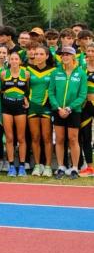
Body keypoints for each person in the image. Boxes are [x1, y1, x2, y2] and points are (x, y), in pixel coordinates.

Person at [49, 46, 88, 179]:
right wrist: (58, 107)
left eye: (67, 54)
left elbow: (82, 95)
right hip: (58, 111)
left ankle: (75, 168)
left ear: (73, 56)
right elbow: (51, 92)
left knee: (73, 139)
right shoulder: (55, 72)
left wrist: (69, 108)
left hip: (74, 111)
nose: (64, 57)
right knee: (59, 139)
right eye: (62, 55)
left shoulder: (81, 73)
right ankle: (61, 166)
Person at [27, 45, 55, 177]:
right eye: (36, 54)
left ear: (47, 56)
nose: (38, 56)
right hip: (32, 106)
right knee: (35, 137)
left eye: (41, 54)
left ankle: (48, 166)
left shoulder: (54, 71)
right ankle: (37, 166)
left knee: (47, 137)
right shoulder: (27, 70)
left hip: (47, 107)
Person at [0, 52, 29, 176]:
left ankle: (21, 166)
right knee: (9, 138)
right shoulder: (3, 74)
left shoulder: (26, 74)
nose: (14, 61)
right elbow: (1, 89)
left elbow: (27, 89)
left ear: (20, 61)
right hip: (7, 106)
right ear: (9, 60)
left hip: (20, 106)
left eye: (16, 59)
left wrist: (26, 98)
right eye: (12, 59)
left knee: (21, 138)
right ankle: (11, 166)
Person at [80, 43, 94, 176]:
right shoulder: (82, 67)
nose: (90, 53)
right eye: (88, 51)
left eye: (92, 51)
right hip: (86, 106)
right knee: (86, 136)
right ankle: (90, 167)